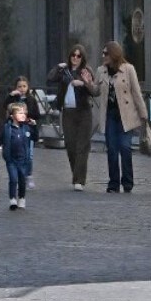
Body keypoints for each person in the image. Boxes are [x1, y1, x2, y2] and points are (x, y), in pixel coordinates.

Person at [93, 40, 147, 194]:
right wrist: (87, 83)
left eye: (106, 53)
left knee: (125, 147)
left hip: (126, 115)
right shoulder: (101, 71)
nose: (103, 56)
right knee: (111, 149)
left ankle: (128, 182)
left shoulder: (128, 69)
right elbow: (96, 91)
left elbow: (136, 92)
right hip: (109, 115)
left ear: (113, 54)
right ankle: (113, 183)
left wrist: (143, 114)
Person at [48, 44, 99, 191]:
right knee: (70, 145)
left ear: (82, 58)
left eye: (78, 56)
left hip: (83, 112)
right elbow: (50, 78)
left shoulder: (85, 71)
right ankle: (76, 175)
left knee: (82, 146)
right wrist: (59, 67)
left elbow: (95, 91)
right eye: (73, 55)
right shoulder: (64, 71)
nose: (75, 58)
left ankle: (79, 180)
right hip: (68, 112)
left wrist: (84, 83)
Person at [1, 76, 42, 188]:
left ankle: (28, 175)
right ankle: (19, 176)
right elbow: (5, 106)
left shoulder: (31, 99)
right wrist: (10, 96)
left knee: (29, 155)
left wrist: (27, 116)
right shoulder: (13, 98)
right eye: (19, 86)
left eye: (24, 86)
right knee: (17, 153)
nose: (22, 88)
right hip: (15, 129)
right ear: (15, 87)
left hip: (28, 129)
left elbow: (37, 115)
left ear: (28, 87)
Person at [0, 102, 33, 210]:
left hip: (23, 160)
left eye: (24, 113)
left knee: (22, 180)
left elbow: (35, 137)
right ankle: (12, 199)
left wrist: (34, 126)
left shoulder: (26, 128)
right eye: (20, 113)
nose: (23, 114)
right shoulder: (7, 128)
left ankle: (21, 198)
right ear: (12, 116)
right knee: (13, 179)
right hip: (11, 159)